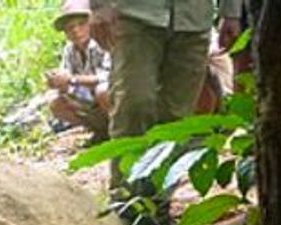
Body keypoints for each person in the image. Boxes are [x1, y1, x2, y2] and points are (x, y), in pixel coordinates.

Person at [90, 0, 243, 156]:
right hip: (135, 16)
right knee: (134, 105)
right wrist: (99, 6)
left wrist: (231, 13)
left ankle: (163, 177)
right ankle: (125, 179)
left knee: (178, 114)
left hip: (193, 19)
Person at [46, 0, 112, 142]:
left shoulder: (104, 42)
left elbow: (108, 77)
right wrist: (57, 82)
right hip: (89, 100)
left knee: (103, 91)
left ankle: (120, 130)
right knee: (55, 101)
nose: (76, 31)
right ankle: (100, 130)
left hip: (111, 97)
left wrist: (72, 79)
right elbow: (67, 78)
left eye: (81, 24)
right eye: (70, 28)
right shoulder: (70, 49)